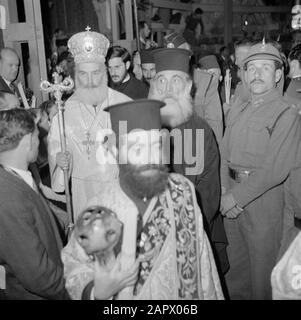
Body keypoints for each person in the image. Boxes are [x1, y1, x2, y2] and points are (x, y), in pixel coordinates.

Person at [62, 99, 224, 300]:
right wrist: (96, 292)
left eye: (155, 146)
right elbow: (73, 265)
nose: (149, 158)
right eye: (137, 148)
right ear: (116, 151)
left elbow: (203, 264)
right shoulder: (100, 208)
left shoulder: (181, 191)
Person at [220, 42, 301, 300]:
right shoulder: (238, 109)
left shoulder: (287, 113)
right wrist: (223, 191)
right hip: (230, 200)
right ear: (243, 74)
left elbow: (275, 169)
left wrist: (235, 198)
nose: (256, 74)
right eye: (251, 68)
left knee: (262, 278)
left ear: (278, 75)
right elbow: (223, 153)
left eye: (265, 68)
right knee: (235, 275)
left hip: (265, 205)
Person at [149, 48, 229, 276]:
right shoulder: (141, 125)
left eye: (176, 81)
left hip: (194, 229)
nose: (167, 88)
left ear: (187, 86)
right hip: (153, 233)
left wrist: (185, 223)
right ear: (154, 85)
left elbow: (210, 189)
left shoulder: (201, 129)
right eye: (161, 80)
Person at [48, 28, 131, 220]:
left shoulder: (124, 103)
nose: (91, 80)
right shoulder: (64, 110)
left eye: (96, 73)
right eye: (84, 74)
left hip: (119, 188)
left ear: (105, 73)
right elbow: (56, 148)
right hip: (83, 191)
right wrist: (60, 161)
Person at [0, 108, 70, 300]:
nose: (40, 142)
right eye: (38, 136)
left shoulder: (17, 176)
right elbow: (38, 276)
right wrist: (79, 288)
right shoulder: (7, 196)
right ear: (26, 141)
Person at [195, 54, 224, 144]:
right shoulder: (195, 95)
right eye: (211, 74)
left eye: (219, 75)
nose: (216, 79)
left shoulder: (219, 93)